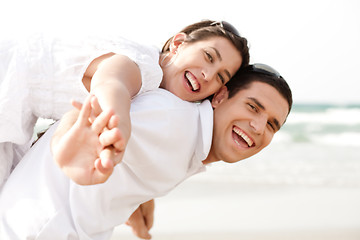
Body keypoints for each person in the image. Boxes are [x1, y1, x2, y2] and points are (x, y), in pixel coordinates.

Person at [0, 64, 293, 240]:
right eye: (253, 107)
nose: (257, 126)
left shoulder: (188, 137)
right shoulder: (171, 119)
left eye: (271, 125)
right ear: (220, 96)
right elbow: (85, 105)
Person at [0, 19, 249, 188]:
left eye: (220, 76)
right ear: (177, 44)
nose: (208, 74)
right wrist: (118, 127)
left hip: (20, 110)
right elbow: (112, 83)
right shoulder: (145, 65)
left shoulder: (157, 94)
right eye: (208, 57)